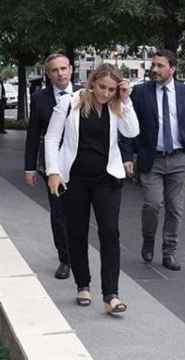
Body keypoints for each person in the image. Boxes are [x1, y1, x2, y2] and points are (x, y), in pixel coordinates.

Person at [45, 64, 139, 314]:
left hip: (107, 179)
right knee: (77, 232)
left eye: (111, 89)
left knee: (110, 233)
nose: (106, 93)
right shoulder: (70, 102)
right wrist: (53, 171)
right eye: (101, 87)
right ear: (92, 82)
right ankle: (83, 285)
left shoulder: (117, 105)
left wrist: (126, 99)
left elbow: (132, 131)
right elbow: (52, 138)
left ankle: (111, 295)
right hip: (75, 179)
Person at [120, 49, 185, 271]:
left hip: (179, 159)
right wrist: (127, 157)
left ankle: (169, 252)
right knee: (152, 204)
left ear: (172, 69)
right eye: (153, 65)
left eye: (159, 66)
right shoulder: (140, 92)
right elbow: (127, 125)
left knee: (175, 208)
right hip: (151, 159)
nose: (154, 69)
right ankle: (148, 239)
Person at [24, 53, 75, 279]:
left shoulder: (86, 94)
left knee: (81, 213)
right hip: (54, 167)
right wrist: (29, 167)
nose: (60, 73)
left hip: (82, 165)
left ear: (71, 69)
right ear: (48, 74)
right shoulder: (40, 99)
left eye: (63, 68)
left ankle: (79, 253)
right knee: (58, 214)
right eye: (55, 70)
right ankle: (65, 259)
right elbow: (33, 134)